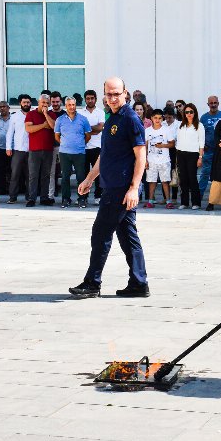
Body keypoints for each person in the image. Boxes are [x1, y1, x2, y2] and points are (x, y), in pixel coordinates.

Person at [70, 76, 149, 299]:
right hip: (111, 184)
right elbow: (105, 155)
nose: (113, 98)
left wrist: (134, 188)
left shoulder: (131, 119)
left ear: (126, 93)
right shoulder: (112, 118)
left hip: (121, 188)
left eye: (117, 94)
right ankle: (139, 283)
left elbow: (141, 154)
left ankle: (92, 283)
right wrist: (89, 179)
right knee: (127, 236)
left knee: (101, 233)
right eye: (109, 94)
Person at [54, 96, 92, 208]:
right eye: (69, 105)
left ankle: (82, 199)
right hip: (64, 153)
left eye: (73, 105)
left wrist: (79, 144)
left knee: (81, 176)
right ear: (65, 106)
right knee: (65, 176)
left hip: (79, 152)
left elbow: (88, 136)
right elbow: (57, 136)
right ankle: (66, 199)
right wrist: (66, 144)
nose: (72, 107)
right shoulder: (60, 120)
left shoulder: (83, 119)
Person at [25, 94, 57, 207]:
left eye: (47, 103)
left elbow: (53, 126)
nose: (45, 105)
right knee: (33, 175)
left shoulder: (51, 114)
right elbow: (29, 128)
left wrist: (45, 115)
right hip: (34, 150)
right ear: (38, 103)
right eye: (43, 103)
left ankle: (44, 198)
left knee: (46, 175)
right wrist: (43, 125)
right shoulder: (31, 114)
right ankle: (31, 198)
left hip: (48, 149)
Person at [144, 108, 175, 209]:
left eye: (160, 118)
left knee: (165, 181)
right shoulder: (147, 131)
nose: (157, 120)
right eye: (155, 118)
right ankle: (150, 200)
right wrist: (145, 160)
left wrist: (162, 146)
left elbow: (172, 144)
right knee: (151, 181)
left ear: (163, 119)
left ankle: (168, 201)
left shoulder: (167, 130)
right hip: (151, 160)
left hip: (164, 160)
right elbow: (145, 146)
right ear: (151, 118)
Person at [175, 103, 205, 210]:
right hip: (181, 153)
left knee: (192, 178)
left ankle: (196, 203)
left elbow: (201, 143)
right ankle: (184, 202)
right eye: (186, 112)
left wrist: (200, 157)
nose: (189, 114)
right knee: (183, 179)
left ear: (195, 113)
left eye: (191, 112)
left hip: (193, 154)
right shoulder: (180, 125)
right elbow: (177, 141)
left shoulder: (199, 126)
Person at [79, 89, 105, 205]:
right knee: (84, 173)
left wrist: (87, 130)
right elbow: (79, 129)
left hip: (97, 147)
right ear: (85, 99)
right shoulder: (80, 113)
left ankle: (98, 196)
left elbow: (100, 128)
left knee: (98, 174)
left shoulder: (100, 112)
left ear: (95, 99)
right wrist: (92, 131)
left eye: (92, 98)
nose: (90, 100)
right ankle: (83, 196)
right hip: (84, 147)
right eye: (88, 98)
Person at [6, 94, 32, 204]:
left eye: (28, 102)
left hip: (31, 150)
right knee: (15, 175)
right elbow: (10, 133)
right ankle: (12, 197)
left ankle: (30, 197)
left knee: (30, 175)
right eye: (24, 102)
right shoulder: (14, 116)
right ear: (20, 103)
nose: (26, 104)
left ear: (31, 103)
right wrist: (8, 147)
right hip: (18, 149)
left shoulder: (34, 115)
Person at [199, 96, 221, 195]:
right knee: (205, 174)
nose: (213, 105)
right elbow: (200, 133)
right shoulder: (203, 117)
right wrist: (203, 145)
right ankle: (198, 197)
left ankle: (220, 198)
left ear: (218, 103)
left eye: (215, 103)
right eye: (211, 103)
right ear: (208, 104)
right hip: (208, 150)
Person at [48, 92, 66, 201]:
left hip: (64, 147)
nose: (55, 104)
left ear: (61, 102)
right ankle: (50, 195)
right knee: (51, 172)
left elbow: (55, 126)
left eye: (57, 101)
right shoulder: (48, 113)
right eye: (53, 102)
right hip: (50, 147)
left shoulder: (66, 114)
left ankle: (65, 196)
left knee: (64, 172)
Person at [163, 106, 181, 202]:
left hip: (175, 150)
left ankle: (174, 197)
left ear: (174, 116)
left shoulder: (179, 124)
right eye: (166, 117)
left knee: (174, 173)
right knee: (164, 173)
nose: (168, 119)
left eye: (170, 117)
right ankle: (166, 197)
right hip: (165, 150)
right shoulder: (162, 124)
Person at [0, 101, 11, 197]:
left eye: (4, 106)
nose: (2, 108)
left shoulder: (13, 118)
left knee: (12, 170)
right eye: (0, 107)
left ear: (8, 108)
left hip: (11, 148)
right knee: (0, 170)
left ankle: (12, 189)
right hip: (0, 147)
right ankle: (1, 189)